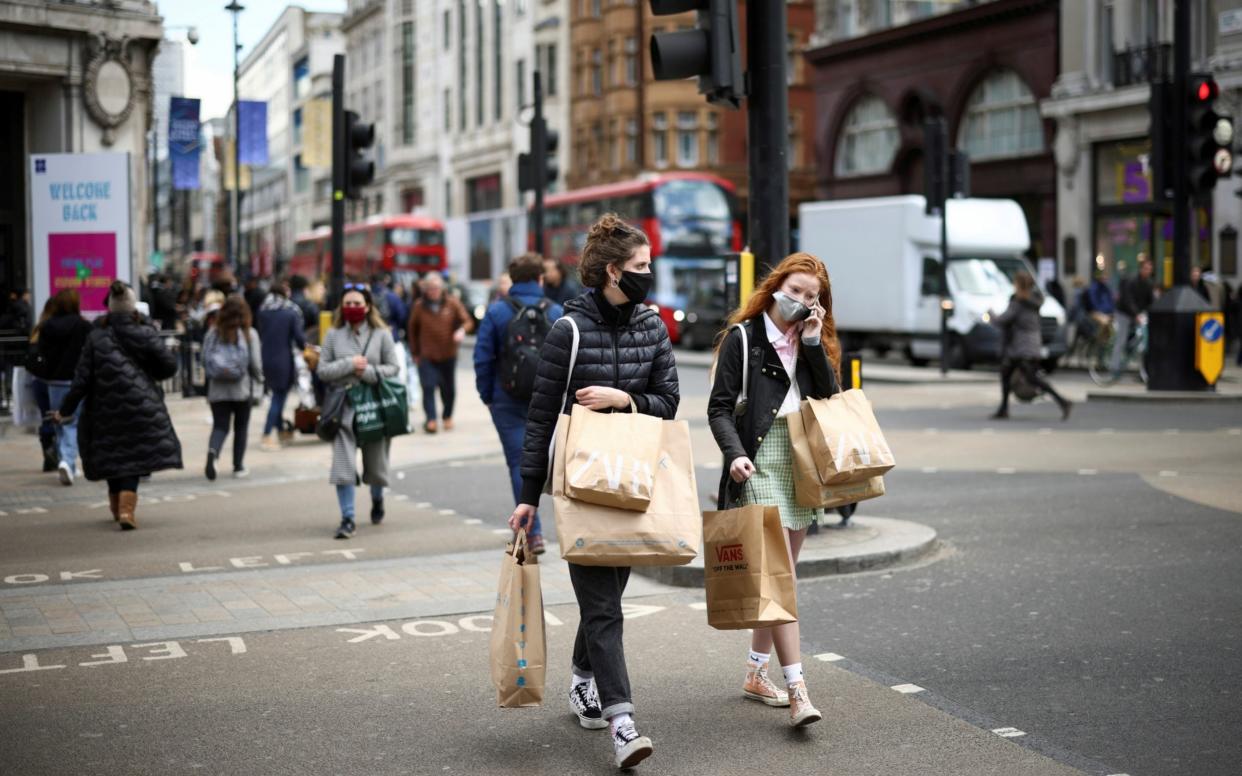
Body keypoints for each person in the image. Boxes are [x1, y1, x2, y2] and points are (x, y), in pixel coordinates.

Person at [508, 213, 678, 771]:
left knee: (607, 598)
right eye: (640, 267)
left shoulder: (653, 326)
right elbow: (539, 418)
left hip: (633, 481)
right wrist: (528, 495)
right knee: (603, 605)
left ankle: (582, 678)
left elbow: (669, 403)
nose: (648, 275)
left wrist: (623, 400)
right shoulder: (568, 331)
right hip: (581, 485)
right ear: (611, 271)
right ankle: (623, 723)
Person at [707, 252, 838, 729]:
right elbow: (719, 408)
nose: (801, 300)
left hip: (799, 464)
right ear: (777, 285)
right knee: (782, 581)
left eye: (812, 296)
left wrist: (813, 344)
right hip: (757, 462)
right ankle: (799, 688)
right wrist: (735, 453)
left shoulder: (809, 341)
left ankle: (755, 673)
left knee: (781, 581)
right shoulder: (744, 338)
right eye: (796, 289)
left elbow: (828, 400)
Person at [55, 281, 182, 530]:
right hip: (142, 406)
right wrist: (149, 373)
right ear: (133, 308)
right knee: (133, 457)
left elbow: (81, 380)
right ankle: (127, 509)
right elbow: (169, 366)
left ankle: (117, 506)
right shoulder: (144, 332)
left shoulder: (95, 337)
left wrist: (65, 410)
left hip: (102, 408)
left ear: (110, 308)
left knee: (113, 454)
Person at [474, 254, 563, 555]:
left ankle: (532, 533)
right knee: (555, 466)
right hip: (548, 400)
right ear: (540, 279)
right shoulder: (555, 312)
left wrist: (488, 396)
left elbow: (483, 358)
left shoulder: (497, 312)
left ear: (512, 280)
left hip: (507, 400)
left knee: (519, 463)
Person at [318, 284, 400, 539]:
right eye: (348, 304)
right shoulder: (333, 335)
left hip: (373, 407)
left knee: (375, 465)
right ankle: (348, 518)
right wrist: (348, 364)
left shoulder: (381, 334)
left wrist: (369, 372)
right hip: (342, 408)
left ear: (367, 307)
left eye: (357, 304)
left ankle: (377, 498)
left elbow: (393, 368)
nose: (352, 308)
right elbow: (323, 370)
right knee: (343, 465)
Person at [991, 272, 1071, 420]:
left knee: (1031, 378)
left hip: (1021, 347)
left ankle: (1063, 401)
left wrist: (991, 315)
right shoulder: (1034, 302)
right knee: (1007, 374)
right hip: (1031, 344)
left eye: (1015, 284)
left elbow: (1003, 320)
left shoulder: (1018, 303)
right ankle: (1003, 408)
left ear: (1019, 286)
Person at [34, 290, 93, 485]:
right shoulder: (83, 325)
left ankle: (65, 460)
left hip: (54, 381)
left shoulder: (47, 326)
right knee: (72, 422)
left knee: (58, 419)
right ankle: (68, 462)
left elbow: (40, 351)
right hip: (76, 380)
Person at [203, 295, 263, 480]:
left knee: (220, 425)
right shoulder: (249, 333)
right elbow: (255, 364)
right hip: (241, 389)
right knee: (241, 427)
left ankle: (213, 453)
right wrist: (260, 379)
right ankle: (238, 466)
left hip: (218, 390)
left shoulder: (213, 333)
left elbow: (205, 359)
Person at [407, 272, 472, 433]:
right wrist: (415, 352)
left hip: (448, 353)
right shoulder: (419, 306)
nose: (433, 291)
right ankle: (431, 419)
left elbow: (468, 321)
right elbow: (412, 329)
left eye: (436, 288)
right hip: (427, 354)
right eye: (430, 288)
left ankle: (447, 416)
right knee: (428, 387)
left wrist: (462, 330)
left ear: (442, 288)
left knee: (448, 388)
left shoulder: (452, 303)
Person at [256, 280, 307, 451]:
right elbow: (299, 339)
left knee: (275, 395)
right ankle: (266, 434)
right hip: (284, 359)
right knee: (278, 398)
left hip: (266, 358)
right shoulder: (290, 313)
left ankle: (281, 432)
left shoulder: (262, 311)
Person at [1111, 259, 1154, 380]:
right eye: (1146, 269)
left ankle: (1143, 368)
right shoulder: (1132, 281)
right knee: (1121, 338)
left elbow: (1151, 302)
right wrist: (1136, 314)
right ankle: (1114, 368)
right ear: (1141, 269)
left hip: (1137, 313)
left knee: (1142, 337)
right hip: (1124, 312)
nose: (1148, 271)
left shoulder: (1149, 283)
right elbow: (1128, 300)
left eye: (1150, 269)